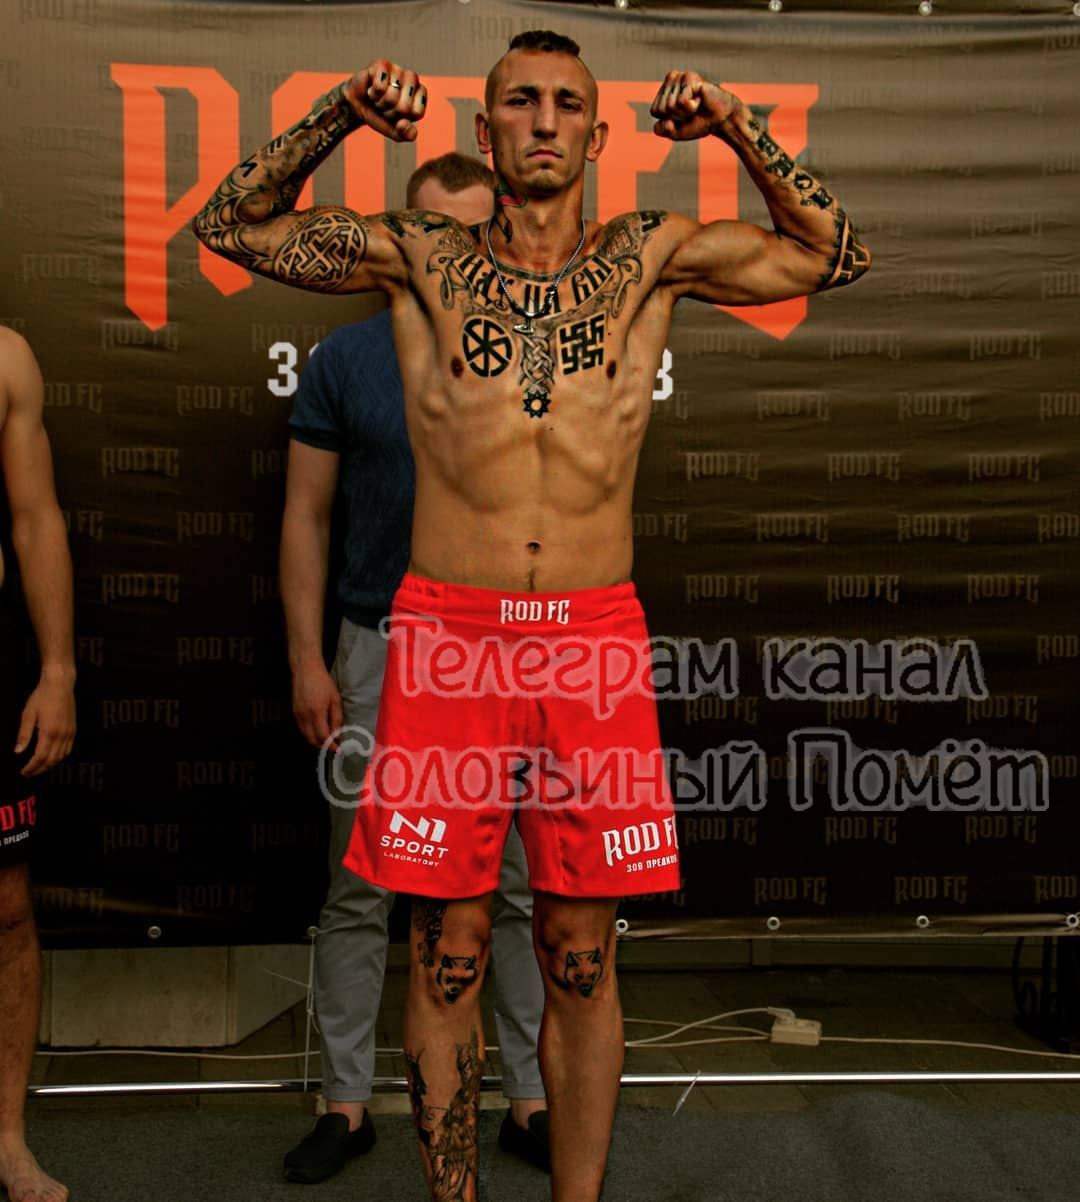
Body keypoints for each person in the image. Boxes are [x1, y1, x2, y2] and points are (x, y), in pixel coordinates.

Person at [194, 29, 871, 1202]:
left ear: (599, 135)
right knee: (447, 951)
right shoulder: (421, 256)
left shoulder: (653, 254)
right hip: (449, 637)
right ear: (486, 128)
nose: (544, 119)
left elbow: (834, 250)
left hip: (591, 643)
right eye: (519, 101)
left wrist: (732, 123)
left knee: (579, 952)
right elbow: (230, 224)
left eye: (566, 103)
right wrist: (344, 111)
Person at [279, 152, 550, 1184]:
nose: (454, 249)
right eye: (433, 229)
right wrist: (308, 658)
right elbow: (305, 517)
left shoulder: (540, 350)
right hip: (377, 650)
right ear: (403, 234)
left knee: (514, 885)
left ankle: (530, 1100)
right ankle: (345, 1106)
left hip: (506, 653)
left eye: (474, 230)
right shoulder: (348, 358)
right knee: (359, 887)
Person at [0, 328, 77, 1202]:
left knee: (7, 912)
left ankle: (7, 1141)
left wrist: (57, 670)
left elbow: (34, 519)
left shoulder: (7, 358)